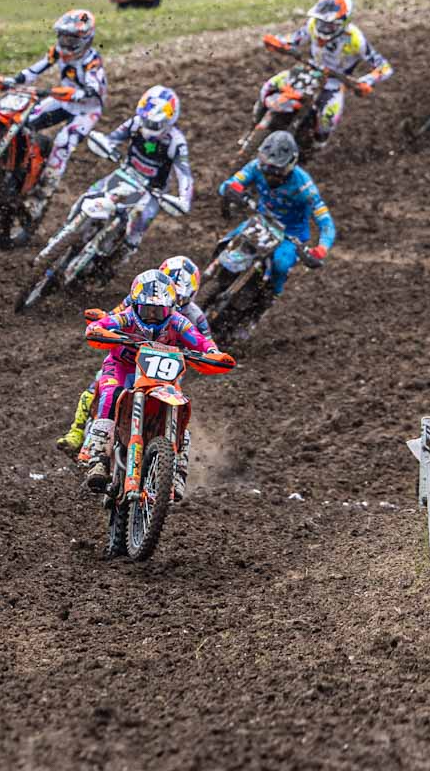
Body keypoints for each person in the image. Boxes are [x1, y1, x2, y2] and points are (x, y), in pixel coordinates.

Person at [77, 270, 228, 496]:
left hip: (160, 376)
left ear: (170, 308)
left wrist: (213, 353)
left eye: (159, 311)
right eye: (147, 310)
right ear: (135, 305)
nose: (152, 316)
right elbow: (100, 325)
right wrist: (99, 330)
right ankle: (98, 457)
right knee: (110, 394)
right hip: (122, 368)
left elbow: (201, 341)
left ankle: (177, 473)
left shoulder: (179, 322)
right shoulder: (127, 317)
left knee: (179, 407)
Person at [12, 9, 109, 224]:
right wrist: (15, 80)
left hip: (86, 109)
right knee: (22, 122)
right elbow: (35, 69)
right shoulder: (57, 51)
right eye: (63, 37)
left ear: (85, 40)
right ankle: (18, 166)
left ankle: (40, 197)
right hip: (62, 100)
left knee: (63, 142)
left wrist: (76, 93)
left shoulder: (92, 62)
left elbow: (94, 89)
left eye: (71, 39)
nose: (65, 43)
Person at [261, 0, 393, 148]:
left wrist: (365, 81)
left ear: (342, 23)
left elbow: (384, 67)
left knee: (327, 121)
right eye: (321, 22)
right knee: (268, 87)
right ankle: (254, 126)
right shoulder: (312, 24)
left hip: (334, 83)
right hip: (308, 72)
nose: (323, 27)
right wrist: (277, 42)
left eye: (329, 24)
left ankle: (312, 150)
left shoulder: (355, 39)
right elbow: (294, 39)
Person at [217, 130, 334, 301]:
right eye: (266, 166)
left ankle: (269, 299)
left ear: (290, 164)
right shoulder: (256, 166)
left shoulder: (304, 188)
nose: (269, 173)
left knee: (280, 264)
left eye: (275, 169)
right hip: (261, 221)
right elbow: (228, 184)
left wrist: (321, 249)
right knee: (226, 243)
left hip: (290, 235)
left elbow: (326, 223)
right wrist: (233, 191)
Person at [87, 84, 193, 258]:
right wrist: (106, 147)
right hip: (126, 174)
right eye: (146, 121)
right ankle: (66, 230)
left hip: (153, 190)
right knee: (91, 194)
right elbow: (111, 139)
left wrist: (184, 199)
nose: (149, 127)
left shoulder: (176, 141)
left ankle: (122, 256)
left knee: (140, 221)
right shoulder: (135, 123)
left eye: (155, 124)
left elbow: (185, 175)